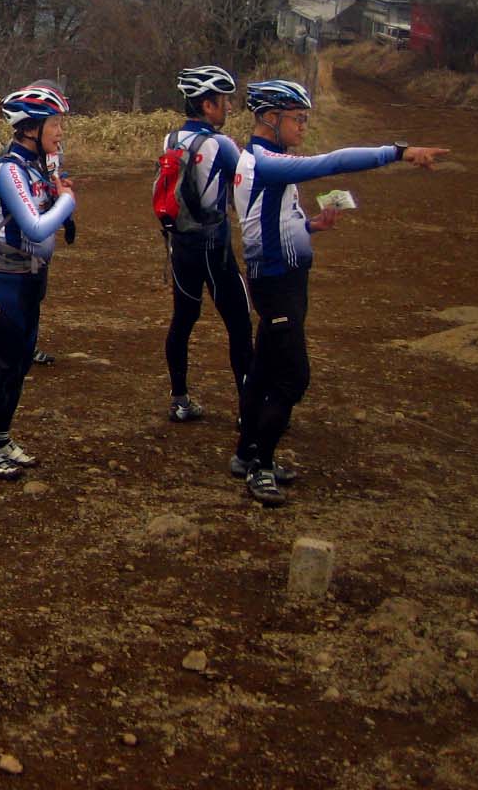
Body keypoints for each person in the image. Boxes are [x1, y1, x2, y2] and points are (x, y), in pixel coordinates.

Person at [232, 79, 447, 505]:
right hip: (278, 282)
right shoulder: (267, 163)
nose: (303, 127)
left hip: (279, 279)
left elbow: (265, 222)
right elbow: (333, 162)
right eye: (298, 119)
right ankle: (261, 468)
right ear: (270, 118)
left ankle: (245, 454)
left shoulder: (258, 160)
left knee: (263, 368)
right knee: (293, 377)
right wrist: (398, 152)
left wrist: (310, 226)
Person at [0, 83, 77, 479]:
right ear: (32, 127)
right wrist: (67, 201)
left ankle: (1, 438)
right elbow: (34, 227)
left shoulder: (38, 164)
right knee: (2, 367)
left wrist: (59, 195)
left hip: (30, 280)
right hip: (3, 282)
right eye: (55, 124)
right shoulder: (10, 169)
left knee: (19, 367)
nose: (60, 132)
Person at [160, 66, 252, 424]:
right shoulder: (221, 144)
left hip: (180, 245)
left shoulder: (170, 140)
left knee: (183, 318)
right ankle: (249, 407)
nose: (228, 107)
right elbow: (247, 180)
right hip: (215, 247)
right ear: (208, 105)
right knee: (240, 322)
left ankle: (179, 398)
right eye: (224, 101)